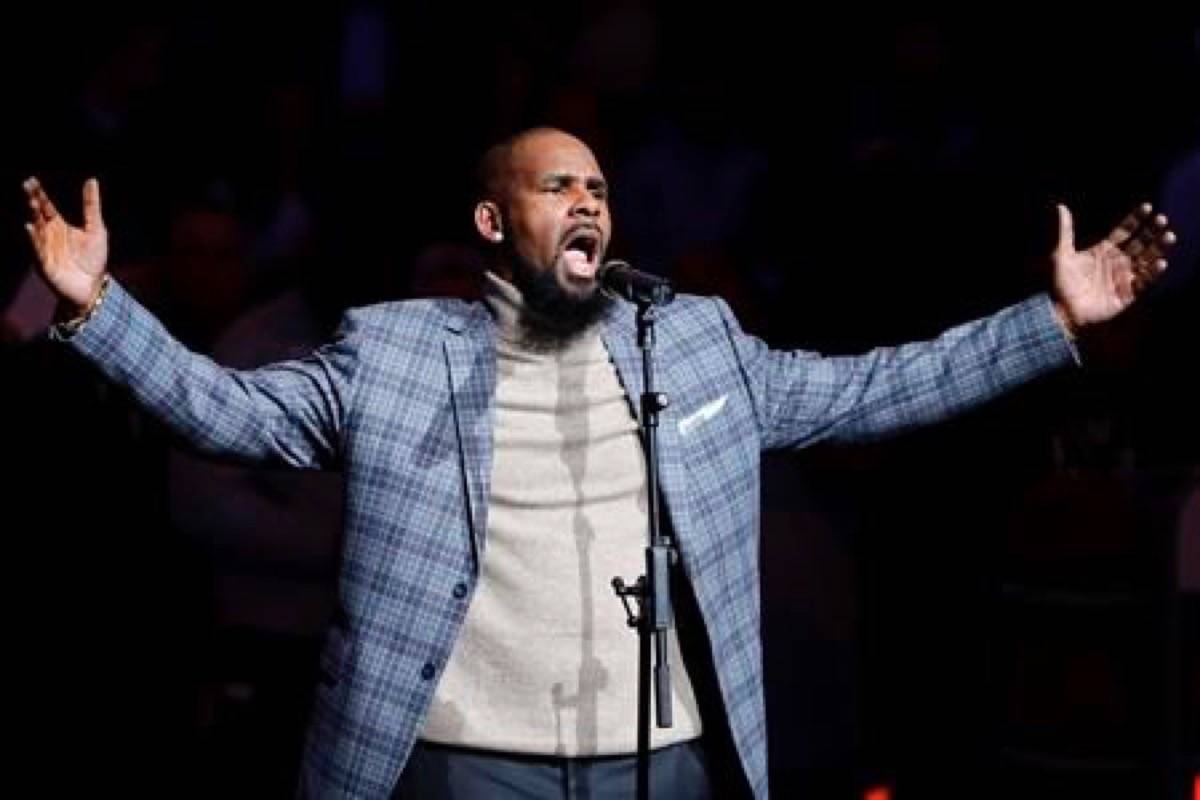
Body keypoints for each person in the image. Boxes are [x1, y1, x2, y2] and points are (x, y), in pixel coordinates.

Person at [21, 127, 1175, 799]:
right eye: (556, 184)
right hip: (465, 765)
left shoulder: (694, 341)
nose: (589, 200)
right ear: (490, 222)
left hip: (657, 765)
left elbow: (877, 386)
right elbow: (226, 416)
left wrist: (1051, 320)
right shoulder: (396, 351)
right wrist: (98, 307)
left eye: (601, 188)